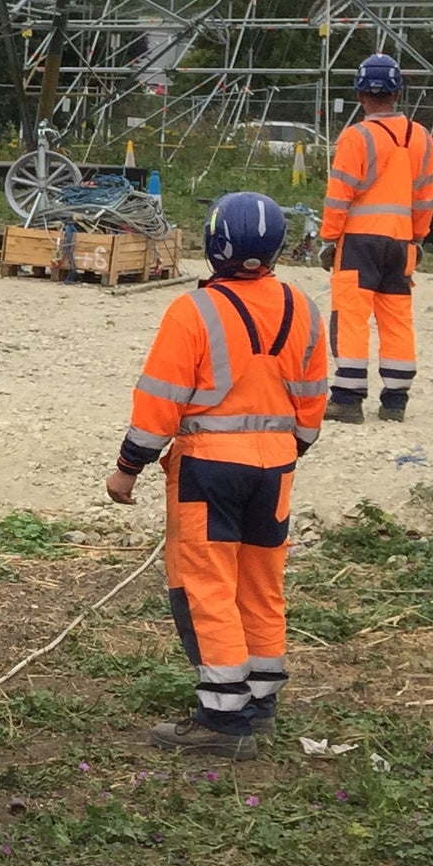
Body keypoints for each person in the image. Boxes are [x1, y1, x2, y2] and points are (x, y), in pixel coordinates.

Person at [106, 193, 328, 757]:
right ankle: (260, 699)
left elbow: (159, 401)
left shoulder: (194, 311)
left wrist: (127, 467)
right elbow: (312, 400)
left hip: (208, 469)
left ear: (214, 244)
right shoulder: (303, 308)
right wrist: (285, 447)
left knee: (207, 586)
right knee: (261, 582)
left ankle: (223, 718)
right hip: (276, 467)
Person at [319, 54, 433, 423]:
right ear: (398, 93)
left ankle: (347, 398)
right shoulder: (422, 138)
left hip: (359, 241)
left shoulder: (356, 137)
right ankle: (395, 400)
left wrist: (329, 238)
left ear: (360, 95)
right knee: (397, 316)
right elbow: (425, 197)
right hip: (402, 242)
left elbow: (339, 194)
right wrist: (417, 237)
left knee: (352, 316)